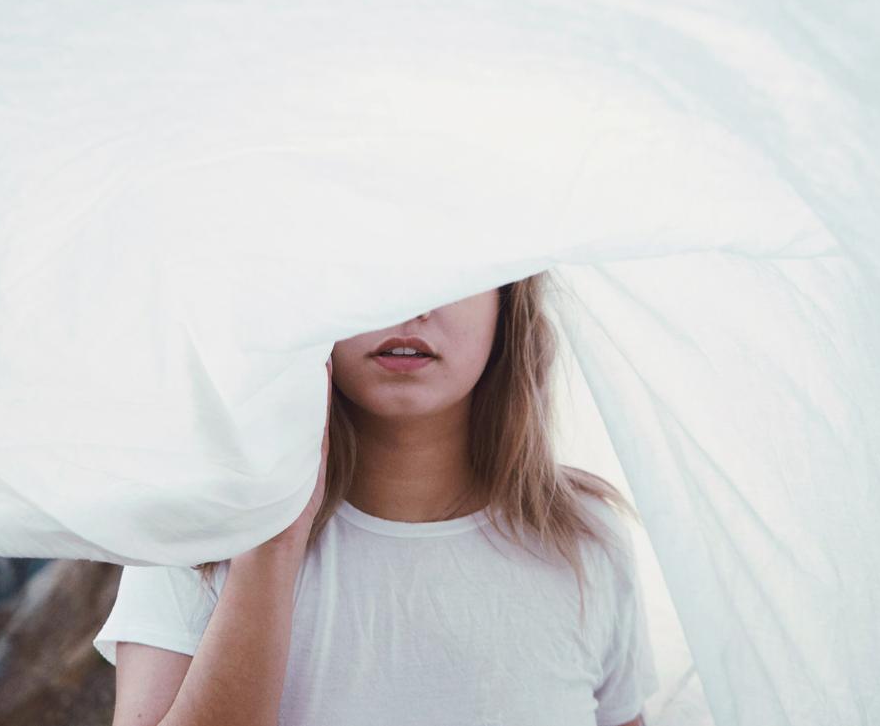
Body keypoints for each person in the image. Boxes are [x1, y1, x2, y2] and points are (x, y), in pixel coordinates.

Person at [93, 272, 659, 726]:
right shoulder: (198, 535)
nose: (409, 303)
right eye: (372, 262)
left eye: (451, 266)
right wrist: (269, 550)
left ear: (507, 299)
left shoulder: (585, 539)